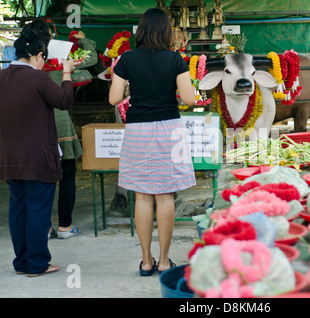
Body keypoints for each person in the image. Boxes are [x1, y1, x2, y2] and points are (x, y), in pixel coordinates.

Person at [109, 8, 196, 276]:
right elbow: (190, 99)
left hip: (137, 130)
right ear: (166, 31)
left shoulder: (127, 59)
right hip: (170, 128)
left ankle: (146, 262)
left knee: (143, 196)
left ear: (141, 30)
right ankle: (166, 261)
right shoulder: (175, 59)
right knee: (166, 195)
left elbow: (114, 99)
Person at [0, 29, 75, 276]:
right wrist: (66, 74)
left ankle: (21, 262)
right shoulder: (37, 78)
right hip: (38, 157)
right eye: (43, 57)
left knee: (18, 208)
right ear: (37, 55)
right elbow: (64, 100)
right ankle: (36, 264)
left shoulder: (2, 77)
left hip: (11, 157)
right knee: (38, 210)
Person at [24, 20, 98, 239]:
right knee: (67, 175)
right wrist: (82, 39)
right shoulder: (59, 52)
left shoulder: (24, 61)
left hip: (34, 126)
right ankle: (65, 226)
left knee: (40, 178)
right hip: (61, 123)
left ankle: (45, 227)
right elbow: (92, 59)